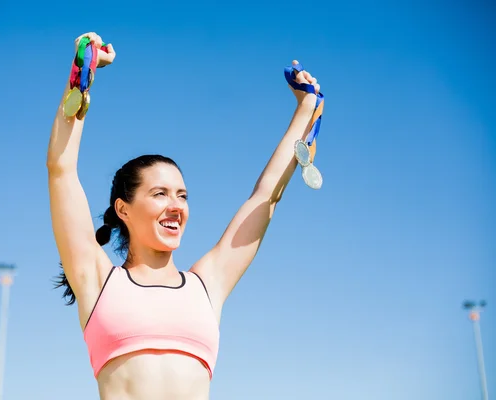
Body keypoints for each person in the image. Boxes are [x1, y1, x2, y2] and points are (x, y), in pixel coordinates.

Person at [47, 32, 322, 400]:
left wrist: (307, 108)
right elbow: (61, 169)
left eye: (182, 195)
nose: (176, 205)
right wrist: (84, 70)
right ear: (123, 209)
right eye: (159, 193)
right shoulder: (97, 281)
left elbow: (267, 195)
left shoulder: (207, 285)